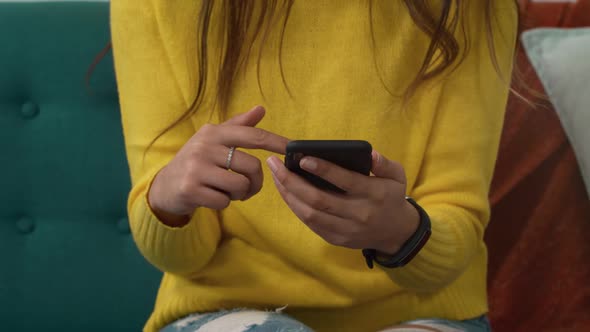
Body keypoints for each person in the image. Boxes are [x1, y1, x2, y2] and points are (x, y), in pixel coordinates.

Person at [111, 1, 518, 331]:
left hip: (417, 312)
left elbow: (457, 220)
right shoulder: (153, 6)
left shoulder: (471, 7)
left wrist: (400, 232)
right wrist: (168, 198)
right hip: (224, 306)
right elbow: (181, 258)